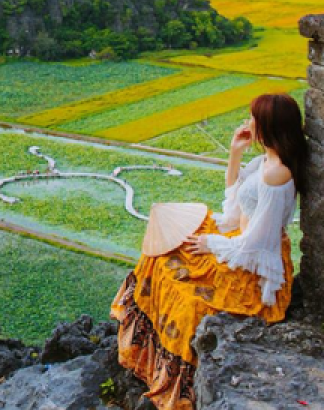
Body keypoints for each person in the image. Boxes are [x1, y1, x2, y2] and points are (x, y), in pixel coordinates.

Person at [111, 93, 305, 410]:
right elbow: (237, 202)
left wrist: (212, 244)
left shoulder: (276, 174)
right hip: (236, 241)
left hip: (249, 265)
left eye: (254, 118)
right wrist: (234, 153)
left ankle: (179, 384)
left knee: (185, 298)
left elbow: (259, 242)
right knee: (161, 255)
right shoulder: (265, 161)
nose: (248, 123)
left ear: (268, 125)